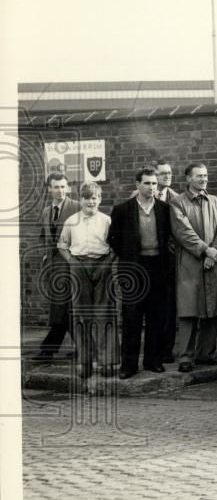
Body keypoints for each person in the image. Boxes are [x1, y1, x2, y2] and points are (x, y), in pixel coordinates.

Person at [108, 168, 173, 378]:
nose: (152, 187)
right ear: (137, 185)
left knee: (156, 316)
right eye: (147, 183)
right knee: (132, 317)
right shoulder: (122, 210)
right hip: (133, 268)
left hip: (157, 267)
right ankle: (128, 365)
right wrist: (129, 258)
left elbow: (169, 237)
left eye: (154, 183)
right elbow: (113, 239)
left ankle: (153, 361)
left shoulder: (164, 209)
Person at [170, 163, 217, 373]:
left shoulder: (215, 201)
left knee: (212, 309)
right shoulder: (178, 203)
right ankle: (185, 357)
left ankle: (207, 354)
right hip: (190, 263)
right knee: (189, 311)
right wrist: (206, 250)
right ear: (188, 178)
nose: (203, 179)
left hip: (214, 263)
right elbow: (183, 232)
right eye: (198, 176)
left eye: (205, 175)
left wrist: (215, 252)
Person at [57, 182, 116, 380]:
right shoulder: (71, 221)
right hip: (79, 265)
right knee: (81, 316)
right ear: (80, 200)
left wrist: (106, 264)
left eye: (95, 198)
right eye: (87, 198)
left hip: (102, 264)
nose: (91, 201)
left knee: (104, 314)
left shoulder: (107, 221)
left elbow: (115, 247)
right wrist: (73, 263)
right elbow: (63, 246)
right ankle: (85, 362)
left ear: (100, 199)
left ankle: (106, 361)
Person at [131, 158, 178, 362]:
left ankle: (162, 352)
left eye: (169, 173)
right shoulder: (134, 200)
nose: (165, 176)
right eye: (161, 174)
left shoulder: (174, 200)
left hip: (165, 261)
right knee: (138, 311)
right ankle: (138, 357)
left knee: (164, 309)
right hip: (140, 261)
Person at [33, 173, 81, 360]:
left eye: (63, 187)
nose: (60, 191)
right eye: (56, 187)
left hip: (71, 266)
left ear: (67, 188)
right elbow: (44, 236)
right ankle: (85, 348)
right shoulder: (46, 211)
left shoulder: (76, 207)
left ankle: (48, 350)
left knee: (62, 308)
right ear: (49, 189)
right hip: (53, 268)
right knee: (64, 309)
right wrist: (45, 255)